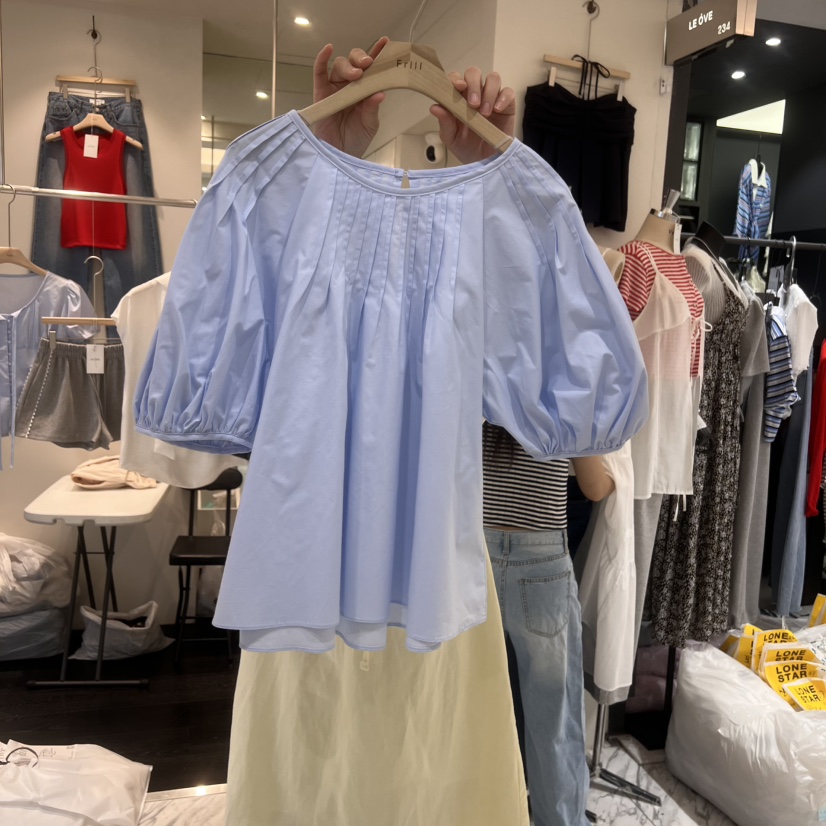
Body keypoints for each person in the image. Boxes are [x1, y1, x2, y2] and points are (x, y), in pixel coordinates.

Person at [313, 38, 614, 826]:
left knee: (450, 732)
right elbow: (594, 477)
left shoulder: (433, 301)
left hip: (457, 540)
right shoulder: (545, 307)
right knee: (548, 731)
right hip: (531, 540)